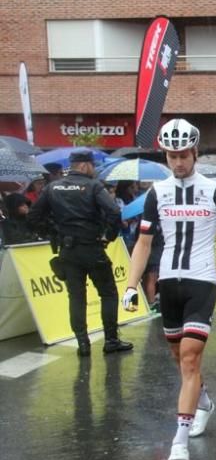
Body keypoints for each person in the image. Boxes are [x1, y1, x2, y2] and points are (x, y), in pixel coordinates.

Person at [122, 119, 216, 460]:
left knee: (190, 358)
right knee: (179, 358)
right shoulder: (157, 193)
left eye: (183, 155)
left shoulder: (215, 192)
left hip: (202, 281)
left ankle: (179, 440)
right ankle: (204, 400)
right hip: (169, 282)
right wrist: (130, 285)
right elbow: (144, 242)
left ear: (195, 152)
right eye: (172, 156)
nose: (178, 162)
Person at [27, 150, 133, 357]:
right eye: (92, 165)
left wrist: (53, 231)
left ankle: (83, 344)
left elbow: (33, 217)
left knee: (76, 297)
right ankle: (111, 340)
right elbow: (113, 211)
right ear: (84, 166)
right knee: (108, 293)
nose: (93, 169)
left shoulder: (52, 187)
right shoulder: (93, 186)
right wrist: (108, 236)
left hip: (68, 251)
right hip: (92, 248)